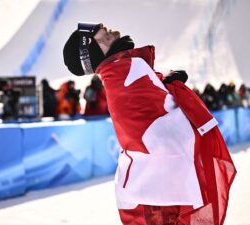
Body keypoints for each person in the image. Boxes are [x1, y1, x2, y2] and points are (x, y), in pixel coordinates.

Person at [63, 22, 236, 225]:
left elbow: (153, 115)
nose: (111, 30)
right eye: (102, 33)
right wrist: (172, 91)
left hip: (158, 191)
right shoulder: (123, 75)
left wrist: (167, 85)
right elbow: (159, 132)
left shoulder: (123, 72)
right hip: (156, 195)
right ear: (93, 47)